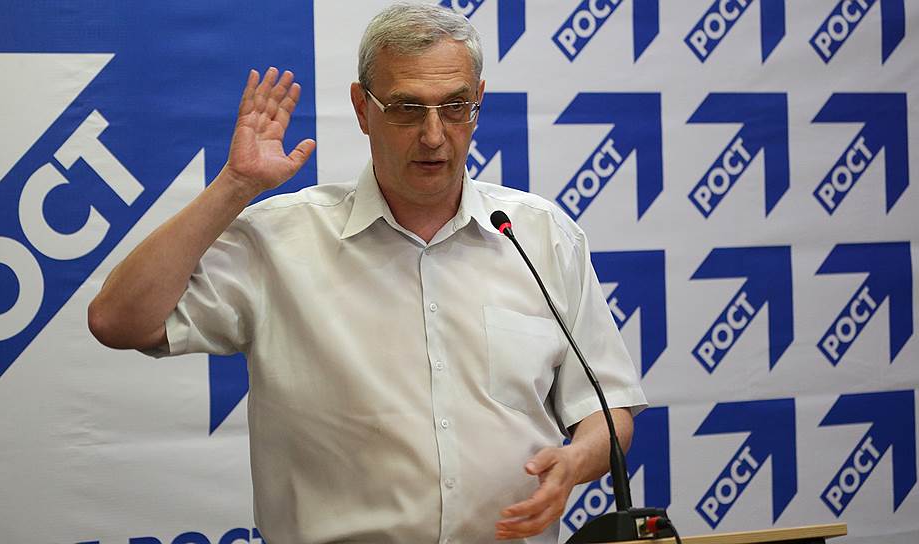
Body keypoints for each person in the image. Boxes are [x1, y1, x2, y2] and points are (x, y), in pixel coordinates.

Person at [88, 3, 646, 542]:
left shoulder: (540, 236)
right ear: (362, 108)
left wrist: (575, 461)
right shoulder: (280, 240)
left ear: (478, 102)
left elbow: (608, 411)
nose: (434, 135)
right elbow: (118, 321)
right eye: (407, 108)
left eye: (455, 107)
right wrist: (236, 185)